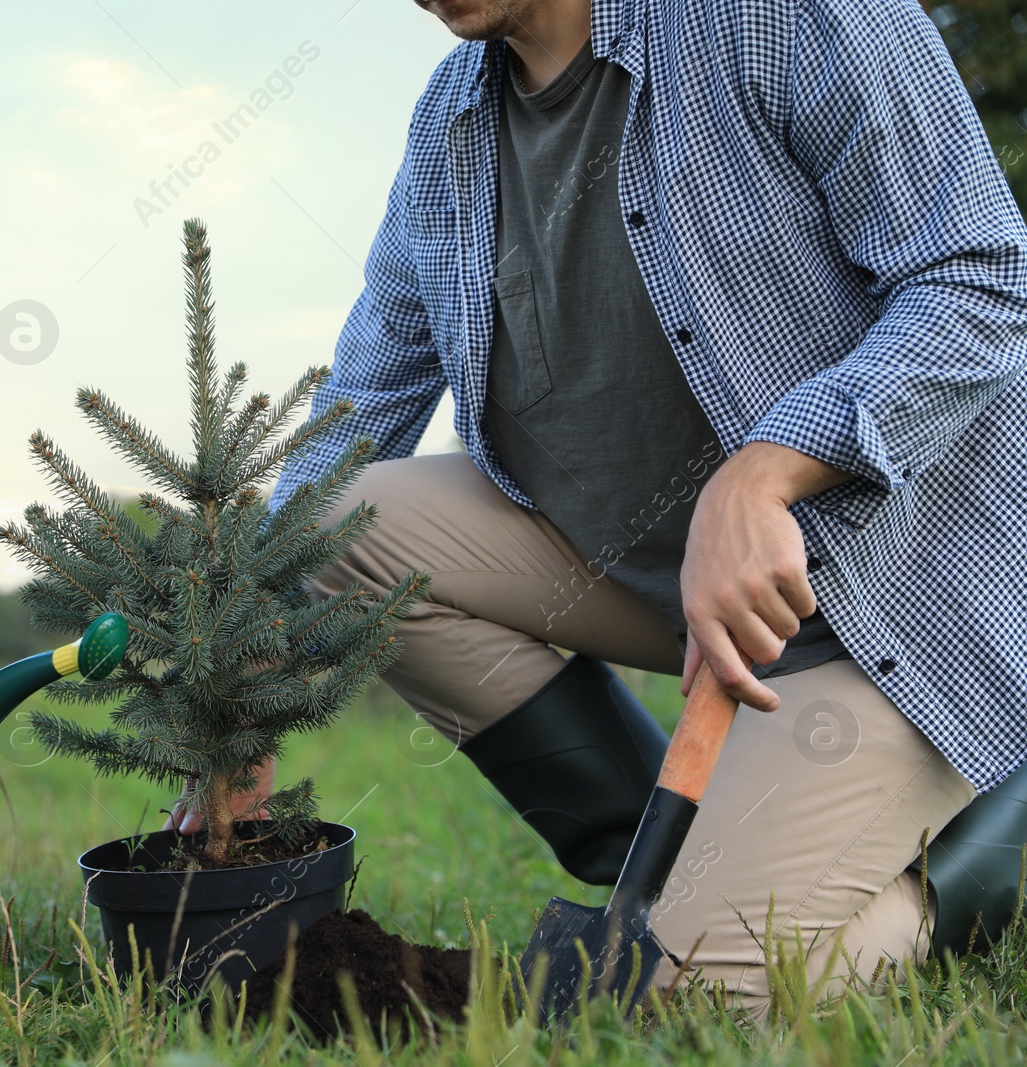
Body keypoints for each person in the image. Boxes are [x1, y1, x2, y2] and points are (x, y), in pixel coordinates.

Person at [255, 0, 1027, 1012]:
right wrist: (246, 684)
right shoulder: (446, 127)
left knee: (687, 1001)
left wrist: (766, 470)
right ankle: (663, 864)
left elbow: (978, 277)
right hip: (662, 585)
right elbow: (358, 408)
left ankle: (963, 883)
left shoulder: (785, 19)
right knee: (331, 527)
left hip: (892, 597)